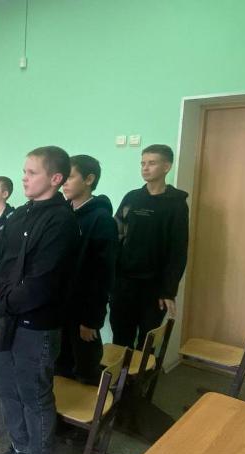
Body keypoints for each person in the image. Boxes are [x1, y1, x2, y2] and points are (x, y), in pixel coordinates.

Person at [0, 146, 80, 454]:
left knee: (33, 393)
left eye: (32, 172)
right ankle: (21, 448)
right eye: (24, 171)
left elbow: (41, 283)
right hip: (6, 319)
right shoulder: (19, 215)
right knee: (4, 384)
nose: (24, 177)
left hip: (37, 324)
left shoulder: (61, 222)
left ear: (55, 178)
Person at [110, 144, 189, 349]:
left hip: (154, 287)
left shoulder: (176, 203)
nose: (145, 168)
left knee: (147, 343)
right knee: (121, 339)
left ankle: (141, 372)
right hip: (124, 283)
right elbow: (116, 235)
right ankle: (120, 372)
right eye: (142, 163)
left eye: (151, 163)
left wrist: (168, 290)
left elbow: (178, 250)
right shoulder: (132, 198)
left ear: (166, 167)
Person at [57, 155, 117, 384]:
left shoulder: (101, 220)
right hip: (61, 306)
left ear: (89, 179)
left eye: (70, 177)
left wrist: (92, 319)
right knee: (60, 367)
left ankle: (93, 405)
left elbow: (103, 274)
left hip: (83, 312)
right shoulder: (63, 213)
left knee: (85, 371)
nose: (64, 182)